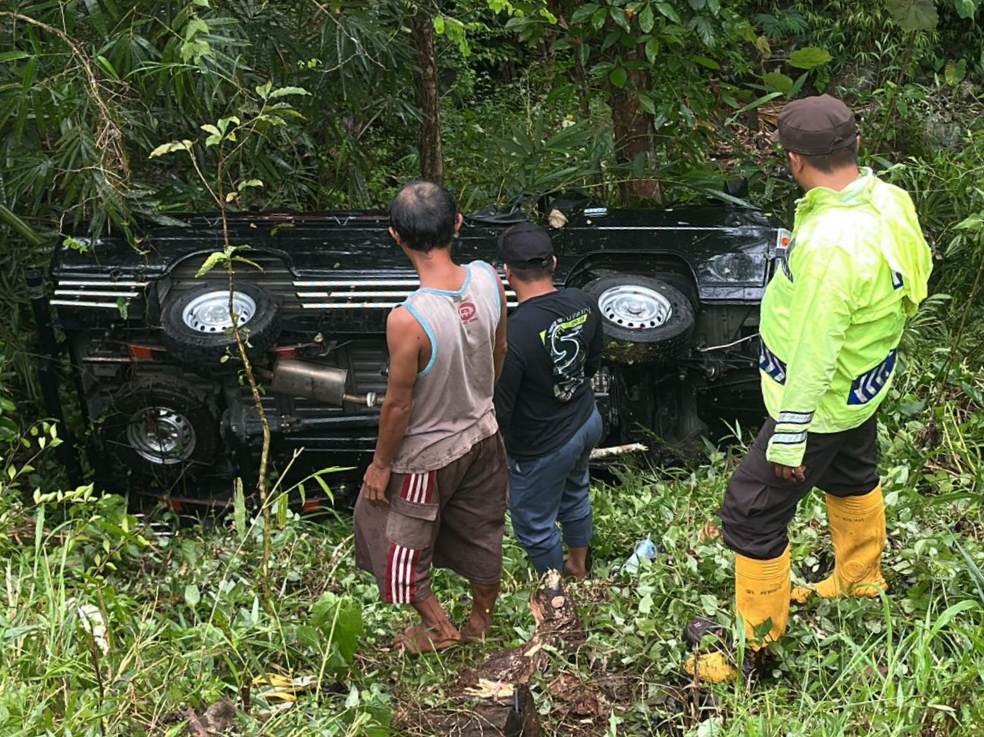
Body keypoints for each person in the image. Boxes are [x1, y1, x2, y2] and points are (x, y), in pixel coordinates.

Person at [686, 95, 933, 682]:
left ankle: (756, 648)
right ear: (854, 146)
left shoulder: (830, 244)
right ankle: (859, 581)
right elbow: (917, 278)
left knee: (749, 513)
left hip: (817, 401)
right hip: (859, 388)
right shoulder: (888, 199)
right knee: (852, 474)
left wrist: (790, 437)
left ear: (795, 159)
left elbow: (818, 346)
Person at [353, 180, 509, 655]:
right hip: (485, 433)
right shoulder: (487, 278)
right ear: (457, 224)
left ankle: (440, 626)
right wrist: (479, 399)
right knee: (483, 527)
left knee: (387, 530)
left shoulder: (409, 319)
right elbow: (499, 349)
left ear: (395, 236)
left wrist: (381, 465)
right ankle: (481, 618)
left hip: (428, 454)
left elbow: (398, 405)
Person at [493, 222, 604, 579]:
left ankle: (556, 597)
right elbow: (592, 363)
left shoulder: (513, 334)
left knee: (534, 523)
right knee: (575, 492)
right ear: (553, 263)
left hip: (542, 443)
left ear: (507, 273)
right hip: (585, 419)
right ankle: (578, 564)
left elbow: (503, 410)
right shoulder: (583, 301)